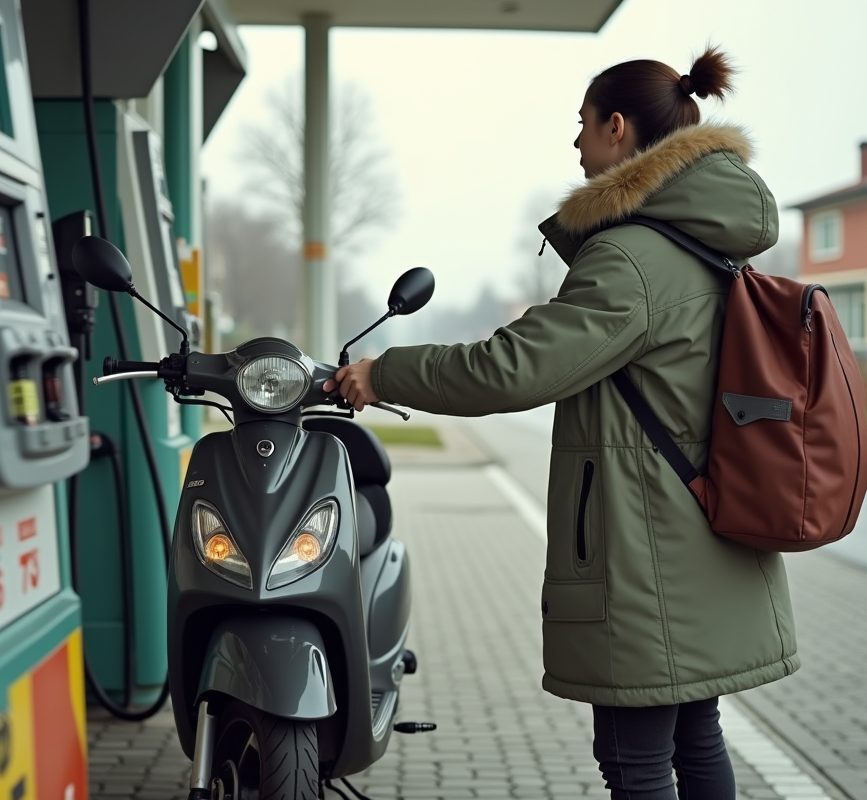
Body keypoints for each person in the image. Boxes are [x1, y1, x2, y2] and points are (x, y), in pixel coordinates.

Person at [325, 46, 798, 800]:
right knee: (693, 735)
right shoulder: (710, 247)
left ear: (617, 128)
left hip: (648, 556)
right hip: (701, 540)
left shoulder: (634, 257)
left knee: (635, 758)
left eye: (581, 125)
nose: (575, 144)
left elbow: (514, 367)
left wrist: (385, 373)